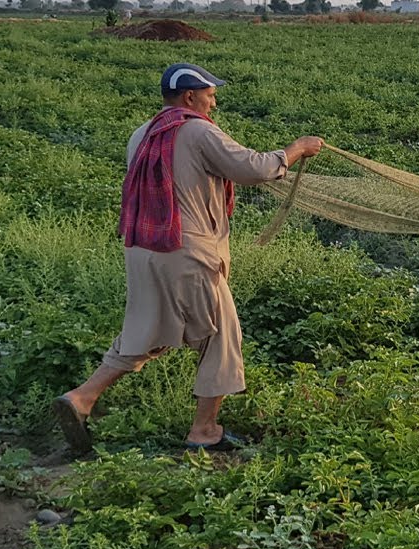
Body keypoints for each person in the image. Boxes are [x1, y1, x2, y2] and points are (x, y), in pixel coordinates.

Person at [53, 62, 324, 453]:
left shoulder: (142, 133)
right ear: (189, 97)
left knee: (146, 330)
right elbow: (254, 168)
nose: (214, 102)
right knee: (220, 334)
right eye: (210, 95)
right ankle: (204, 431)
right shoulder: (197, 130)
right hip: (185, 252)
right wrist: (297, 148)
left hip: (144, 250)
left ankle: (82, 398)